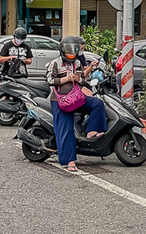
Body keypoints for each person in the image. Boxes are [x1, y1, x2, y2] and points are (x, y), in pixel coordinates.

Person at [45, 36, 107, 173]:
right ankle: (70, 161)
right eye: (69, 52)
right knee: (66, 130)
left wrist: (81, 79)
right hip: (61, 101)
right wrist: (66, 78)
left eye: (74, 52)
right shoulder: (55, 63)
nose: (71, 54)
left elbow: (84, 80)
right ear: (62, 50)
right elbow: (49, 80)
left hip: (77, 97)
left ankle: (91, 131)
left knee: (97, 103)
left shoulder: (78, 63)